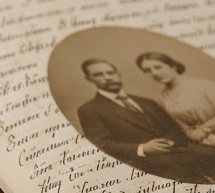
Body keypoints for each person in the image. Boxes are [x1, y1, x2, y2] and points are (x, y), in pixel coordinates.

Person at [76, 58, 215, 183]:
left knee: (210, 154)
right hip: (143, 161)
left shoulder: (147, 102)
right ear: (89, 79)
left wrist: (165, 144)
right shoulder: (89, 109)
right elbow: (100, 143)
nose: (107, 77)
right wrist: (142, 148)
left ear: (118, 74)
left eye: (110, 72)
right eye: (98, 75)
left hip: (176, 151)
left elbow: (174, 129)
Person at [136, 51, 215, 146]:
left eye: (158, 67)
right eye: (147, 70)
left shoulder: (203, 86)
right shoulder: (162, 98)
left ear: (172, 66)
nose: (154, 73)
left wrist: (203, 130)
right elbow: (178, 127)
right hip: (202, 144)